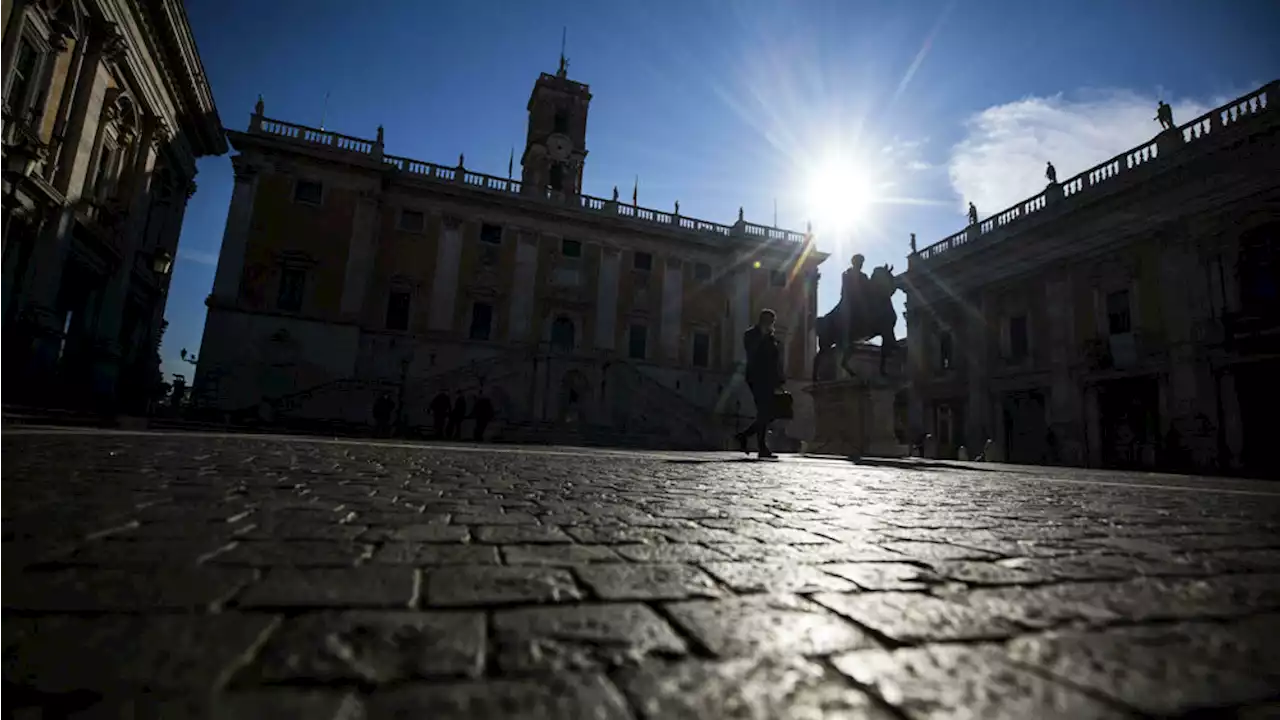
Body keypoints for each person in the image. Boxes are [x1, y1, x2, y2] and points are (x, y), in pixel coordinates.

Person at [734, 309, 785, 458]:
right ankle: (760, 446)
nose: (772, 324)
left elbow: (776, 361)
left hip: (770, 379)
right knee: (764, 412)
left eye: (773, 321)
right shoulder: (750, 334)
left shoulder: (772, 338)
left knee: (768, 413)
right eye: (771, 321)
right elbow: (753, 353)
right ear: (764, 320)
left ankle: (745, 436)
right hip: (756, 378)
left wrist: (780, 379)